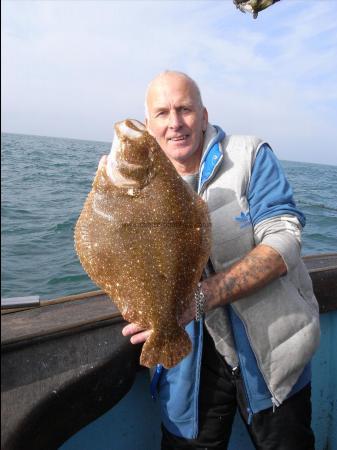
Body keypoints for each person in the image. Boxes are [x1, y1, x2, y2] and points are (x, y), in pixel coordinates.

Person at [122, 70, 320, 450]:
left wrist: (200, 298)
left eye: (185, 109)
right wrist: (114, 196)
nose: (175, 123)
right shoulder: (136, 185)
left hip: (272, 356)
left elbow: (284, 240)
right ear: (148, 125)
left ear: (204, 113)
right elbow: (122, 258)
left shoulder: (249, 156)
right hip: (187, 371)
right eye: (162, 113)